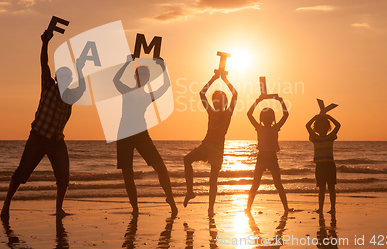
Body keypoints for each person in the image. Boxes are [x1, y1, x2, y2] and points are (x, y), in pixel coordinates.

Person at [0, 28, 86, 220]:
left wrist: (79, 68)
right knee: (22, 173)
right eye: (61, 77)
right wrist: (45, 42)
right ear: (57, 78)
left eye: (67, 77)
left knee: (63, 177)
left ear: (70, 80)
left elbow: (82, 87)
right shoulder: (48, 86)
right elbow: (43, 63)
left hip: (56, 141)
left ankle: (58, 209)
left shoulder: (70, 96)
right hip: (38, 137)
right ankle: (6, 205)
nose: (64, 79)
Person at [113, 55, 177, 216]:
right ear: (135, 77)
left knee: (161, 168)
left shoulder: (148, 95)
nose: (143, 78)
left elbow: (166, 85)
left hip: (142, 133)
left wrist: (163, 67)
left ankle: (171, 200)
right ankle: (135, 209)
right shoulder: (127, 90)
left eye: (146, 76)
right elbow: (115, 80)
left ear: (148, 79)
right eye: (140, 75)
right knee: (128, 174)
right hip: (124, 134)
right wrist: (127, 63)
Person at [183, 71, 238, 217]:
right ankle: (190, 191)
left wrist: (225, 80)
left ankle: (210, 209)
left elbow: (235, 94)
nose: (216, 102)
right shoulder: (211, 112)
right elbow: (202, 93)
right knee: (187, 159)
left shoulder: (228, 113)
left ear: (225, 102)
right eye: (214, 100)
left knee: (213, 180)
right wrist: (214, 78)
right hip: (206, 145)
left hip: (217, 148)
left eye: (219, 100)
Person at [246, 94, 292, 213]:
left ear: (273, 118)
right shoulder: (258, 127)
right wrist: (257, 100)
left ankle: (286, 208)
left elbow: (286, 114)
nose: (267, 120)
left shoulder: (276, 127)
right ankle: (248, 208)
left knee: (278, 184)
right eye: (265, 118)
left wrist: (281, 100)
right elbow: (249, 114)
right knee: (255, 184)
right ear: (261, 119)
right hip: (261, 158)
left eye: (269, 118)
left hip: (272, 158)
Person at [306, 110, 341, 214]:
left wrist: (329, 117)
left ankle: (333, 208)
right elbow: (307, 125)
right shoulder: (314, 138)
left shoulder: (330, 137)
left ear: (328, 128)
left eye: (325, 127)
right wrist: (316, 117)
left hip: (330, 165)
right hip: (320, 166)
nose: (323, 130)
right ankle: (320, 208)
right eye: (320, 128)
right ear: (316, 129)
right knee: (321, 188)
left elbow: (338, 125)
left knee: (331, 187)